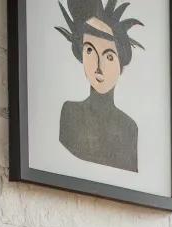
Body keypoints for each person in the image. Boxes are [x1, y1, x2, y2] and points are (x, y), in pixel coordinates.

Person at [55, 0, 144, 174]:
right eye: (89, 50)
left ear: (121, 65)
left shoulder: (129, 129)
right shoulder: (70, 113)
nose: (98, 65)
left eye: (109, 56)